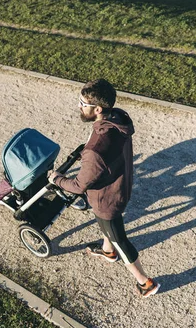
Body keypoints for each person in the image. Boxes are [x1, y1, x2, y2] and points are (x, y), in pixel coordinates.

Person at [48, 79, 160, 298]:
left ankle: (145, 283)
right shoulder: (118, 119)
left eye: (82, 103)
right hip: (121, 184)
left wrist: (57, 179)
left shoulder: (96, 150)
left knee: (120, 239)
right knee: (108, 230)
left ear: (97, 109)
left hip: (106, 200)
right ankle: (108, 252)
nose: (79, 106)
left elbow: (79, 186)